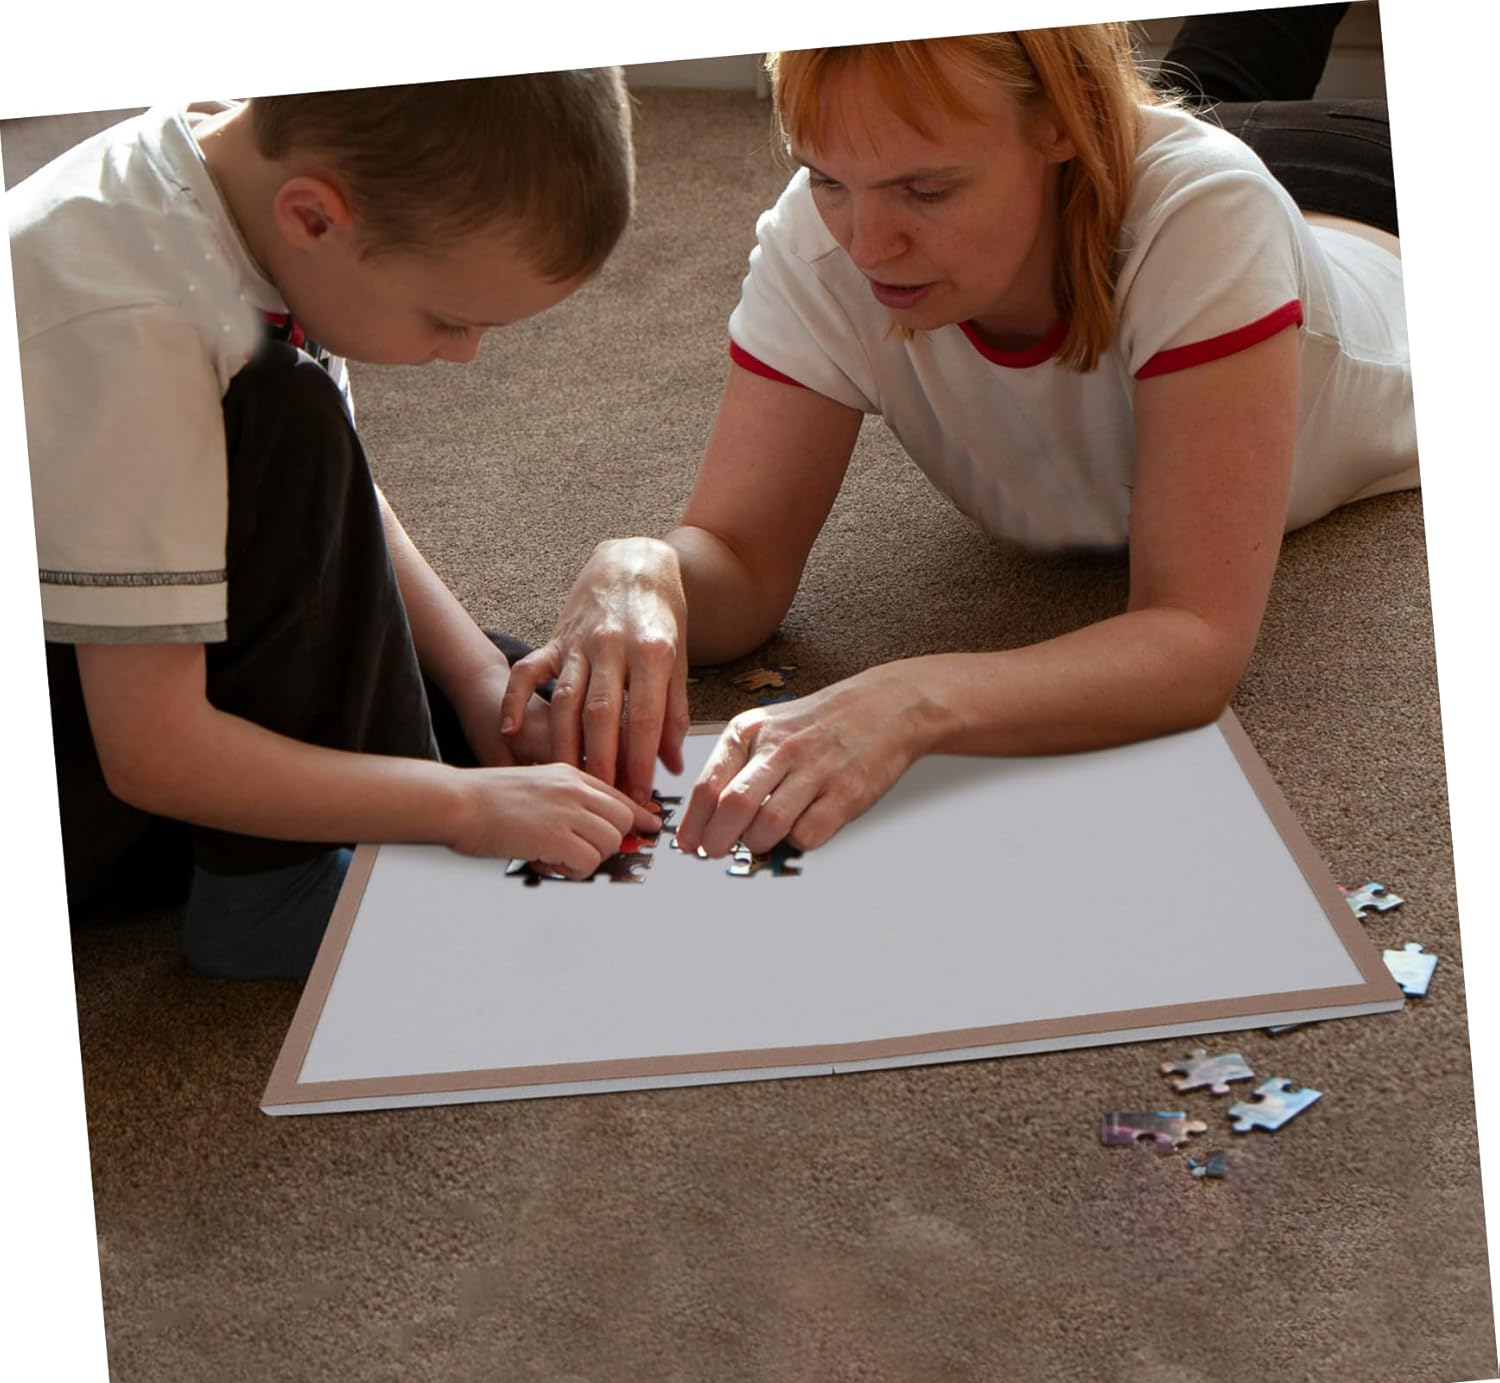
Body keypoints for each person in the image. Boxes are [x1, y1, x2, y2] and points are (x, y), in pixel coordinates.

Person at [498, 11, 1414, 864]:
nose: (867, 246)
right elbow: (740, 558)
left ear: (1064, 124)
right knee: (1222, 73)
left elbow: (1194, 640)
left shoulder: (1207, 216)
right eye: (828, 178)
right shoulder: (821, 237)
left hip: (1368, 198)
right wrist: (644, 566)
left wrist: (906, 702)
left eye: (925, 190)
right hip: (1115, 164)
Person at [12, 74, 661, 980]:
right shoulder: (130, 323)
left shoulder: (251, 194)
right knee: (288, 413)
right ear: (313, 217)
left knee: (502, 696)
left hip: (103, 652)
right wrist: (462, 809)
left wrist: (479, 677)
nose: (466, 354)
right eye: (450, 320)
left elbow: (333, 499)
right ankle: (271, 888)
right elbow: (150, 753)